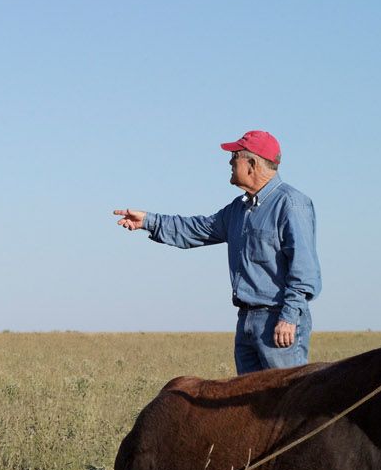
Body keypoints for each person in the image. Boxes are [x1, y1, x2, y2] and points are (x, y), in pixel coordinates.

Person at [114, 130, 320, 375]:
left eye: (235, 156)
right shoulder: (238, 210)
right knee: (248, 408)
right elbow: (197, 229)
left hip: (278, 320)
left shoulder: (291, 204)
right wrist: (149, 221)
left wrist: (288, 317)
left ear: (252, 164)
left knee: (287, 404)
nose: (230, 162)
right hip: (246, 320)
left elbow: (304, 270)